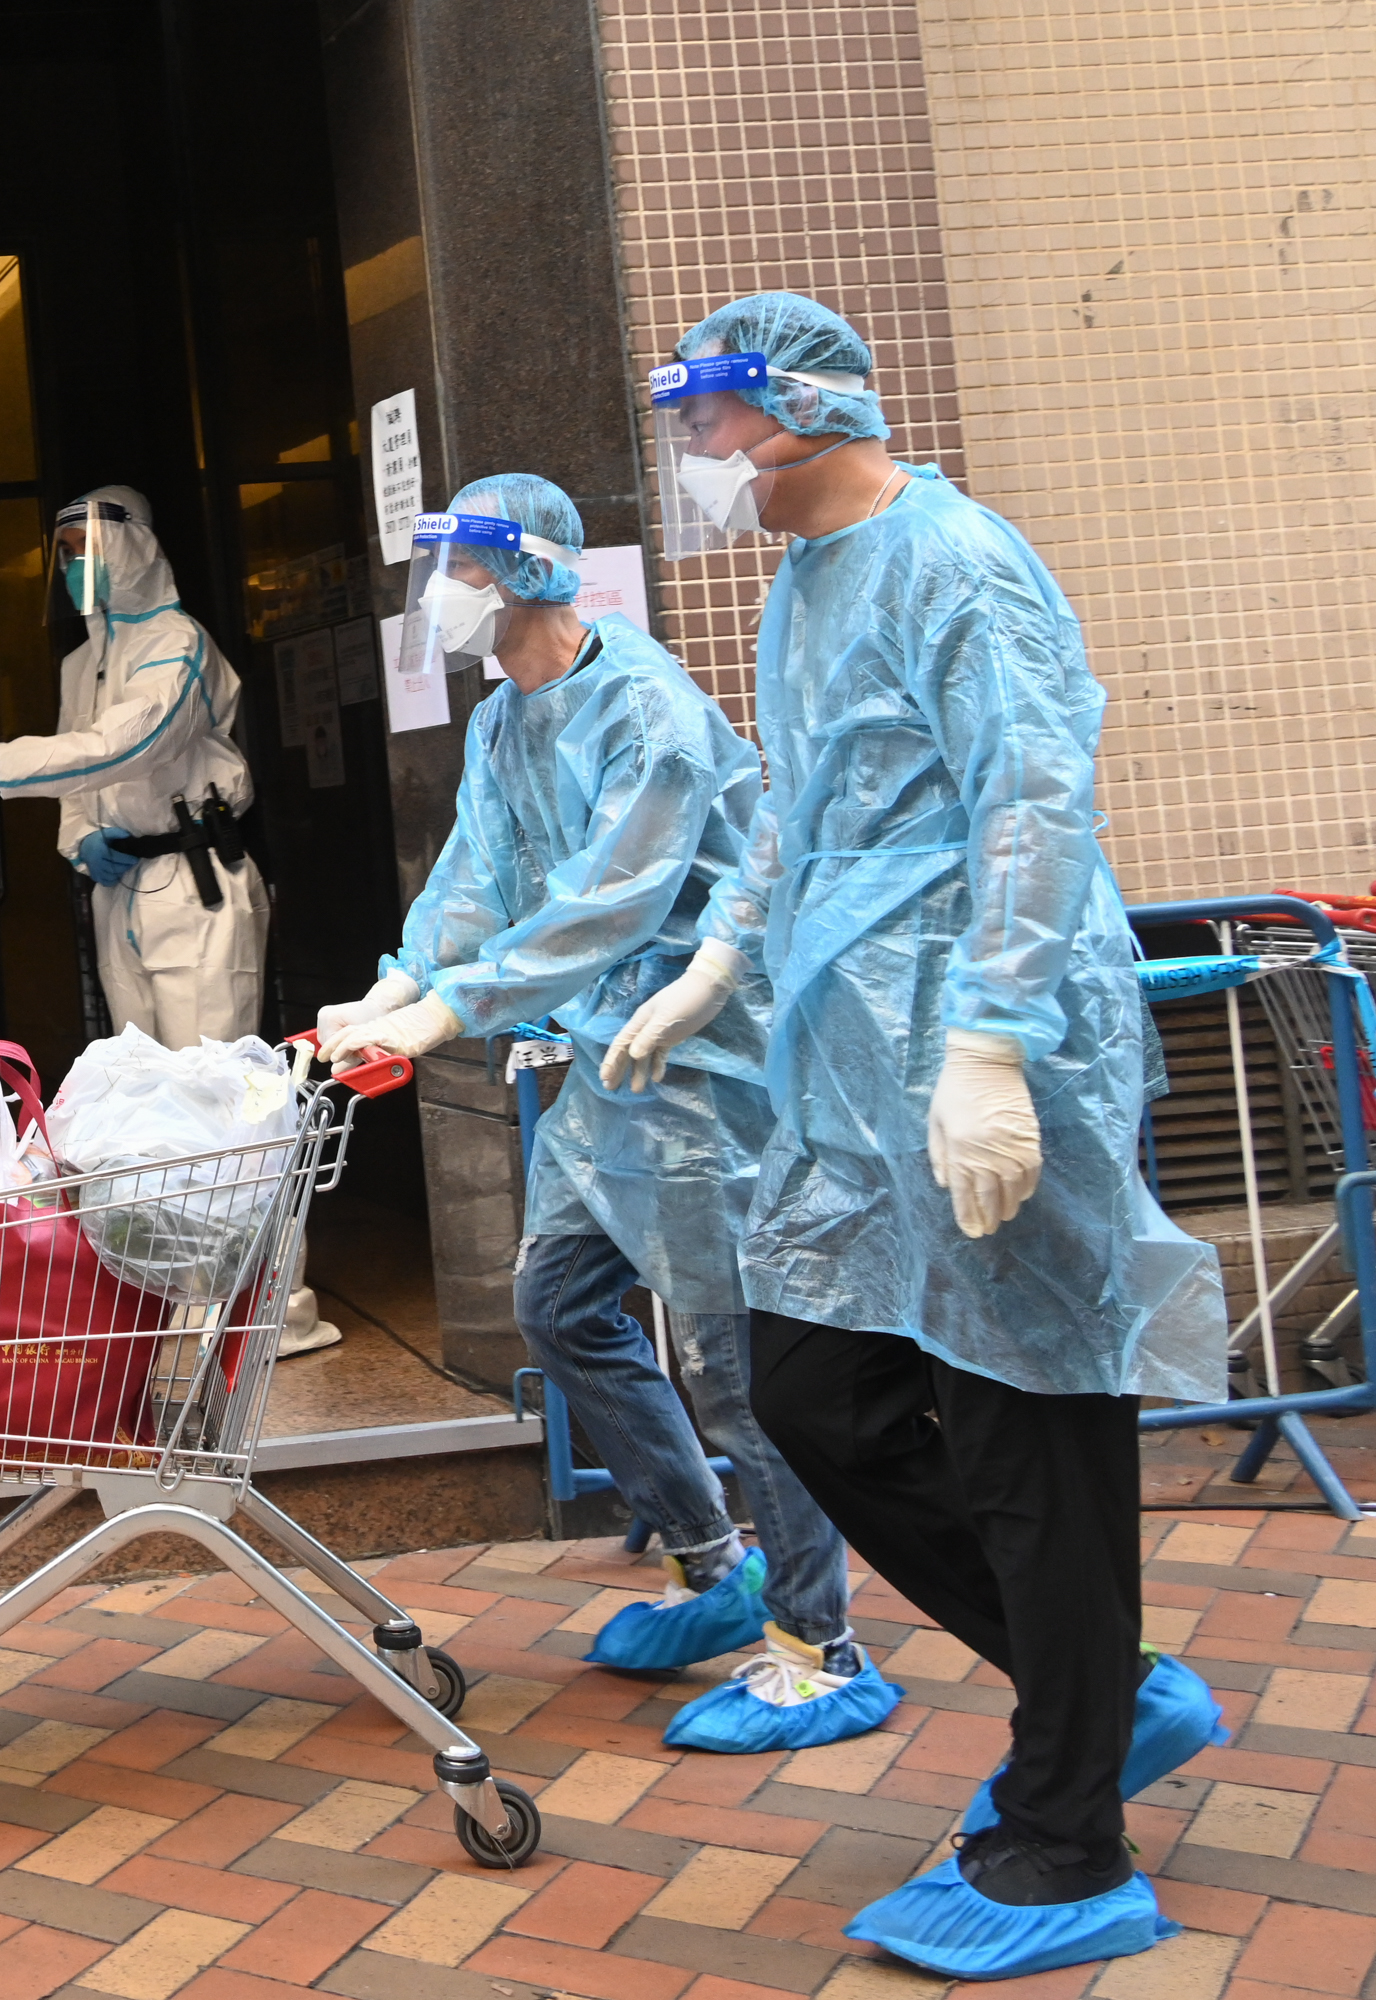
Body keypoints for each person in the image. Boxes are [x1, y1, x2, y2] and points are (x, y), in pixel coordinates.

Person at [608, 291, 1228, 1980]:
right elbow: (795, 810)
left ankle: (1066, 1835)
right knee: (816, 1389)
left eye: (710, 423)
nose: (697, 459)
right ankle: (1104, 1690)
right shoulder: (806, 582)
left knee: (1031, 1435)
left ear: (800, 411)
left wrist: (995, 1046)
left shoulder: (958, 562)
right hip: (852, 1073)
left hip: (988, 1057)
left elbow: (1033, 797)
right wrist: (722, 959)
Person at [319, 476, 887, 1752]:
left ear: (527, 572)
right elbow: (477, 873)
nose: (440, 596)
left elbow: (608, 901)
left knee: (734, 1364)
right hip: (605, 1057)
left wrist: (448, 1010)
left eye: (462, 567)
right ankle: (713, 1562)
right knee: (560, 1304)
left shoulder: (647, 710)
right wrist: (400, 979)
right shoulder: (505, 716)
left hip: (701, 1065)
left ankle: (821, 1644)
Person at [0, 485, 336, 1352]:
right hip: (126, 892)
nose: (78, 565)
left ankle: (271, 1304)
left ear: (135, 547)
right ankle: (182, 1286)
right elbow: (83, 777)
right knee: (144, 1102)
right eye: (66, 552)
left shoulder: (179, 644)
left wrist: (3, 765)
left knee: (225, 1096)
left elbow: (135, 741)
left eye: (90, 547)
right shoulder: (83, 662)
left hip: (197, 882)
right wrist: (81, 844)